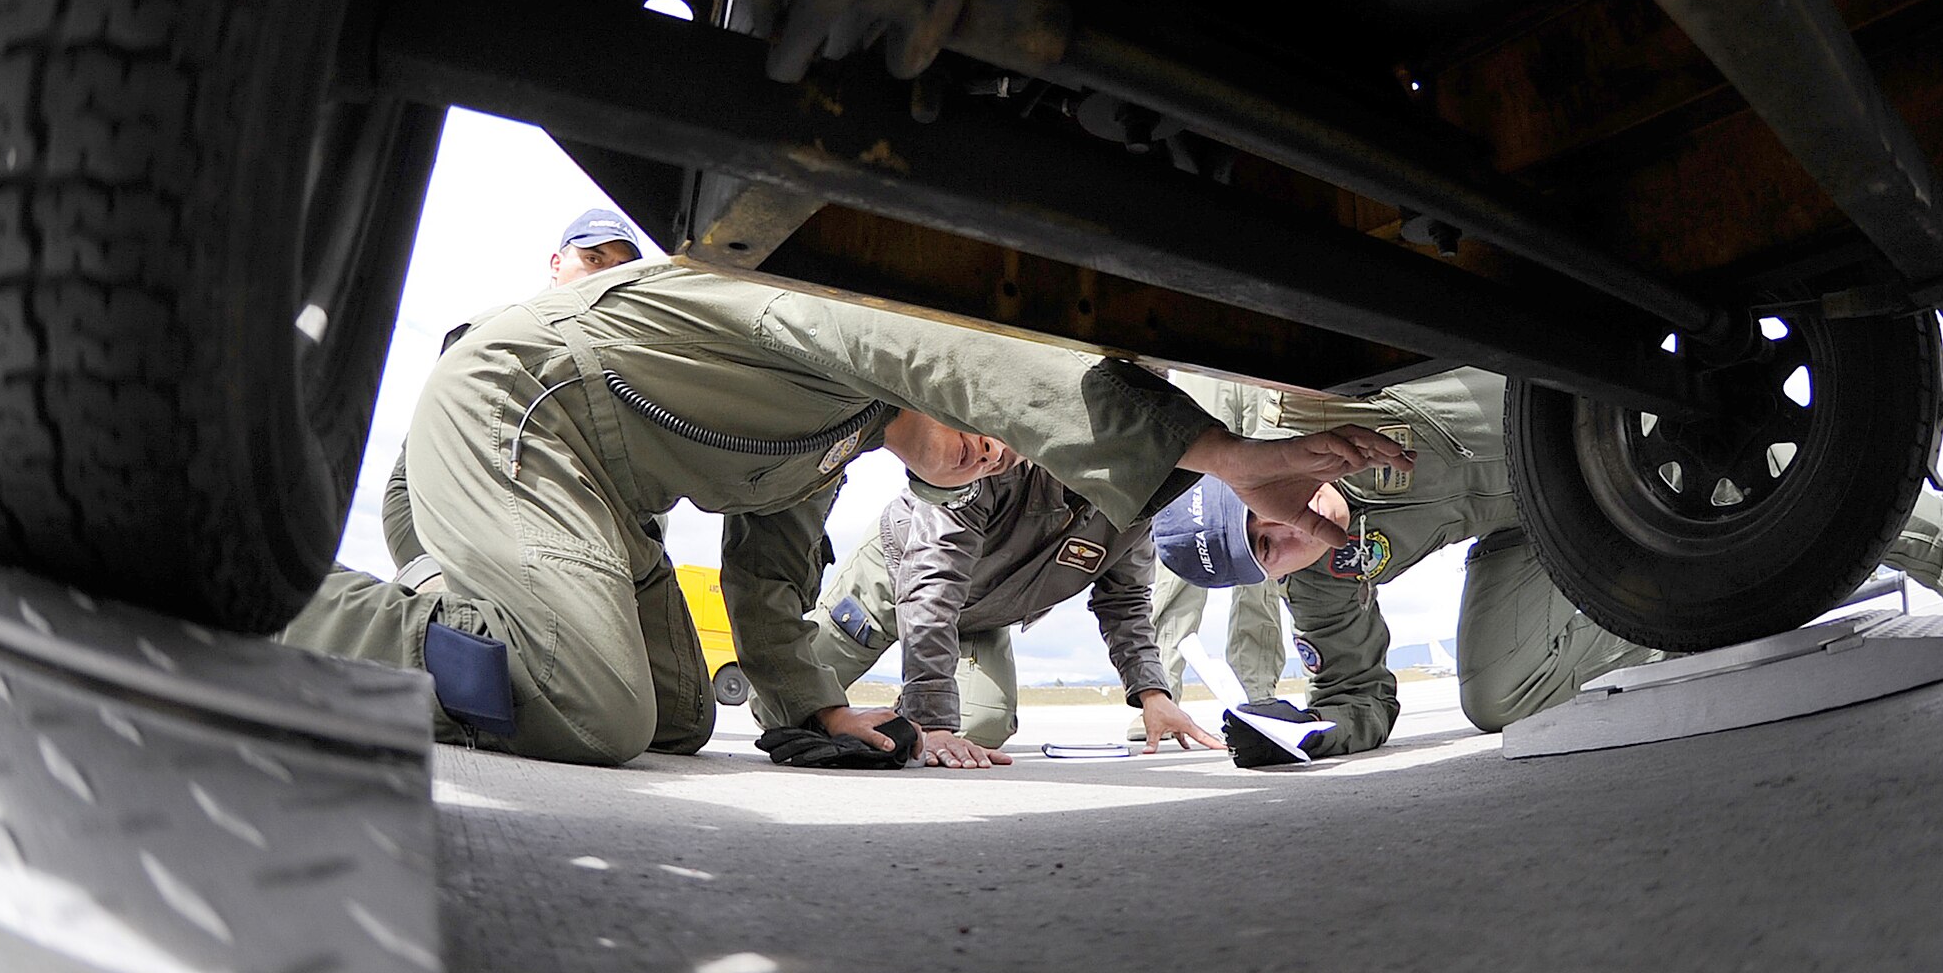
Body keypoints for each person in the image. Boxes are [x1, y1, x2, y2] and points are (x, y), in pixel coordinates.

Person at [280, 257, 1412, 768]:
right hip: (515, 413)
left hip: (602, 505)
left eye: (999, 455)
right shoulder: (838, 315)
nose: (986, 449)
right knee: (595, 710)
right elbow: (967, 357)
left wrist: (817, 712)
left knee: (673, 718)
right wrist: (1217, 453)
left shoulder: (834, 449)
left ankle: (473, 611)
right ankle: (290, 594)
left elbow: (767, 589)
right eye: (986, 423)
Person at [1152, 365, 1943, 758]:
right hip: (1536, 528)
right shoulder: (1320, 572)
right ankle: (1700, 615)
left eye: (1258, 518)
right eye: (1264, 559)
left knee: (1783, 480)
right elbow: (1355, 691)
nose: (1284, 537)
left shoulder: (1311, 394)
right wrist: (1313, 734)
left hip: (1608, 428)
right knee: (1496, 694)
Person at [763, 458, 1225, 768]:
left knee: (982, 728)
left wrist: (1153, 695)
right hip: (897, 574)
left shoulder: (1134, 512)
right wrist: (934, 722)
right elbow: (931, 585)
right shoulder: (997, 464)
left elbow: (1124, 605)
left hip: (981, 617)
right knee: (784, 706)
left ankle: (901, 719)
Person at [380, 208, 645, 568]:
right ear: (556, 263)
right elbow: (409, 479)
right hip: (471, 559)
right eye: (592, 259)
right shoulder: (493, 335)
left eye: (619, 269)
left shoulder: (631, 373)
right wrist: (428, 573)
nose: (603, 276)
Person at [1131, 373, 1289, 740]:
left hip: (1268, 372)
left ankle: (1259, 691)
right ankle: (1160, 691)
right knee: (1187, 521)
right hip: (1199, 364)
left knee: (1264, 532)